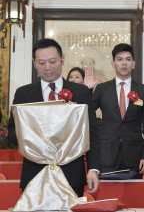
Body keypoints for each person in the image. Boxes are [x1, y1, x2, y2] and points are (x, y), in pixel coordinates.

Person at [7, 38, 100, 197]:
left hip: (71, 175)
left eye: (52, 61)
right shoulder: (24, 94)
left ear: (62, 60)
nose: (48, 67)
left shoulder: (80, 92)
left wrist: (93, 169)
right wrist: (32, 139)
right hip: (34, 175)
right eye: (41, 63)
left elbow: (92, 132)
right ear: (34, 63)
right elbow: (12, 132)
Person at [92, 43, 144, 178]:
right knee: (107, 194)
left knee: (133, 197)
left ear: (133, 63)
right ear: (113, 63)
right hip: (107, 153)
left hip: (134, 155)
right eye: (120, 59)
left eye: (128, 59)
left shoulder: (143, 90)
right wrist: (88, 90)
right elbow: (87, 111)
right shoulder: (102, 89)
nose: (124, 63)